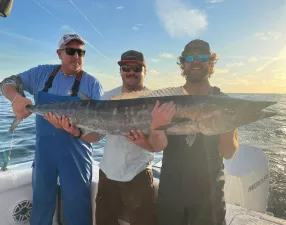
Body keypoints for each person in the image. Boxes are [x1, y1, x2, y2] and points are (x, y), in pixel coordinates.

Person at [0, 33, 104, 225]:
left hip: (77, 158)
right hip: (44, 156)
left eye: (81, 52)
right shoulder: (41, 74)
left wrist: (75, 131)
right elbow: (6, 82)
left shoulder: (93, 84)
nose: (76, 56)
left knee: (77, 210)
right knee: (40, 207)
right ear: (59, 54)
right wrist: (16, 98)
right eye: (71, 51)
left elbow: (98, 134)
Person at [155, 39, 239, 225]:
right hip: (171, 194)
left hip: (209, 198)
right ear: (183, 63)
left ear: (210, 63)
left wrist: (227, 124)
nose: (196, 61)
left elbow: (228, 152)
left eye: (202, 57)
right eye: (190, 57)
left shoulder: (225, 103)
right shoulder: (167, 101)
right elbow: (155, 144)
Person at [95, 50, 175, 225]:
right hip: (108, 174)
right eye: (126, 67)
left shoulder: (158, 102)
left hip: (138, 174)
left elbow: (158, 145)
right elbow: (95, 136)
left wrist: (144, 142)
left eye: (137, 68)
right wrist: (75, 131)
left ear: (145, 71)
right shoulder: (107, 98)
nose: (131, 72)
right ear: (121, 71)